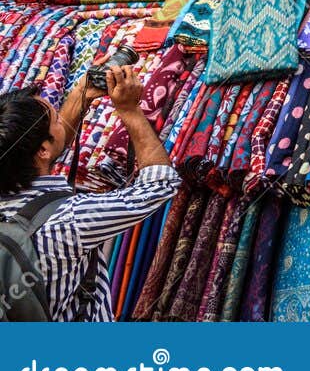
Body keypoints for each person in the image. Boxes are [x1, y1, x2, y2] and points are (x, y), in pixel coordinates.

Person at [0, 69, 178, 321]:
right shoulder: (70, 218)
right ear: (42, 149)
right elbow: (159, 185)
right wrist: (128, 110)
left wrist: (79, 98)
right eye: (57, 120)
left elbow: (43, 154)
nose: (63, 119)